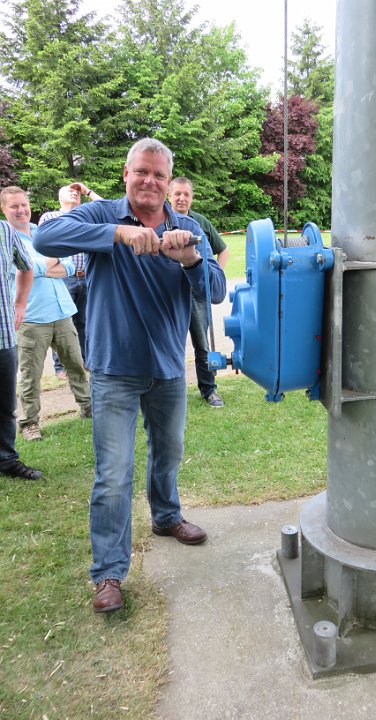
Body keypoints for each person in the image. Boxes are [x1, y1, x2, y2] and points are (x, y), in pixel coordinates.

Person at [34, 138, 227, 613]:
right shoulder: (102, 216)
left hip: (167, 369)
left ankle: (166, 517)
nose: (150, 181)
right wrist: (118, 235)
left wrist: (190, 260)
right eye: (142, 171)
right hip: (114, 370)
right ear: (126, 174)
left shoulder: (187, 229)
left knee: (168, 453)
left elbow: (216, 291)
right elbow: (44, 238)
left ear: (169, 181)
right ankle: (109, 573)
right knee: (114, 474)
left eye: (159, 175)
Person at [0, 186, 92, 441]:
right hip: (31, 317)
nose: (21, 210)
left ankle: (88, 407)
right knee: (30, 375)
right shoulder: (5, 238)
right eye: (14, 206)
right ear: (4, 209)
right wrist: (46, 264)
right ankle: (29, 423)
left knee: (76, 365)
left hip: (61, 310)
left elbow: (70, 265)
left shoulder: (43, 233)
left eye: (24, 204)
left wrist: (35, 268)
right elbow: (18, 269)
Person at [169, 177, 229, 407]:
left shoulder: (200, 222)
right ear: (169, 196)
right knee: (171, 343)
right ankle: (171, 392)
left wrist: (212, 277)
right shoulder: (160, 221)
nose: (181, 198)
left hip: (197, 295)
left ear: (192, 198)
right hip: (171, 293)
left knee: (202, 345)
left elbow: (223, 250)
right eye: (177, 194)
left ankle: (209, 390)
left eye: (186, 194)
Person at [40, 182, 102, 378]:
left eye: (77, 192)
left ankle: (85, 362)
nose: (74, 193)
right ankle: (61, 367)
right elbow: (42, 246)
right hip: (63, 279)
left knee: (85, 322)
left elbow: (105, 207)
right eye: (70, 191)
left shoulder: (87, 217)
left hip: (87, 277)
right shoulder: (50, 217)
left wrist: (88, 191)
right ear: (60, 198)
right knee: (62, 323)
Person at [0, 219, 43, 480]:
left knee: (5, 406)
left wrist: (20, 303)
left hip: (3, 337)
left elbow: (26, 267)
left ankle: (6, 460)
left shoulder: (5, 230)